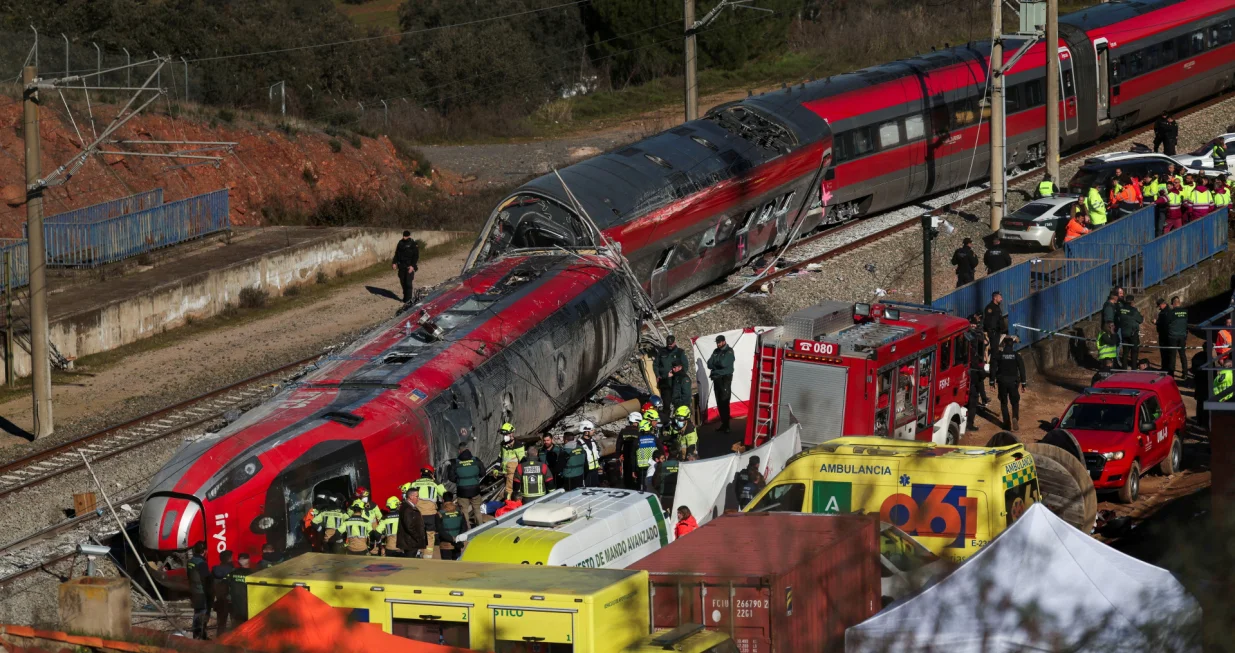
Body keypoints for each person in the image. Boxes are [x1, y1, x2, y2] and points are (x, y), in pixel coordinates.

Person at [990, 337, 1027, 431]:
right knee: (1015, 402)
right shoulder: (1016, 355)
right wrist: (1023, 384)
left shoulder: (999, 355)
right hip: (1013, 382)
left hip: (1002, 382)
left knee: (1003, 403)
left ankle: (1007, 423)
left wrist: (991, 382)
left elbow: (993, 367)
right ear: (1012, 345)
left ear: (1004, 344)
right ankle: (1015, 417)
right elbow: (1022, 369)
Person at [410, 467, 446, 559]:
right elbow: (445, 494)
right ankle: (428, 556)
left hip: (417, 514)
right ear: (431, 474)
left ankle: (417, 552)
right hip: (430, 514)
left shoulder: (414, 483)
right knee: (430, 535)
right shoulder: (435, 483)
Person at [450, 440, 487, 527]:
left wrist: (459, 480)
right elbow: (483, 473)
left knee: (464, 511)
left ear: (459, 451)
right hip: (475, 489)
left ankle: (467, 529)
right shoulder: (476, 460)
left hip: (462, 491)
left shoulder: (455, 462)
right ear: (468, 449)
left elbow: (451, 477)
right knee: (477, 509)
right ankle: (480, 526)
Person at [654, 334, 693, 416]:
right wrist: (658, 375)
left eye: (671, 344)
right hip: (665, 381)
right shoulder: (661, 352)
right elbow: (656, 365)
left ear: (674, 342)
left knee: (677, 400)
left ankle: (680, 417)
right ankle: (666, 421)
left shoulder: (680, 352)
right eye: (668, 344)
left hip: (676, 381)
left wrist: (679, 375)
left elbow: (685, 366)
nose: (670, 346)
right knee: (666, 403)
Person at [708, 335, 736, 432]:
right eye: (717, 342)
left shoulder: (729, 351)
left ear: (724, 341)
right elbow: (709, 363)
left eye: (719, 342)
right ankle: (723, 424)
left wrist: (715, 364)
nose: (718, 344)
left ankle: (727, 425)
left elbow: (724, 364)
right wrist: (717, 363)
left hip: (725, 378)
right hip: (716, 378)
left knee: (724, 401)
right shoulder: (716, 351)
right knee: (719, 401)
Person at [188, 542, 212, 640]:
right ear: (204, 551)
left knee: (196, 613)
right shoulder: (202, 563)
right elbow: (206, 580)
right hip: (201, 592)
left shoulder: (190, 561)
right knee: (202, 614)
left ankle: (196, 635)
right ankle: (201, 636)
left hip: (193, 591)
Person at [397, 487, 428, 558]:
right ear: (411, 497)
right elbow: (409, 526)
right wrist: (418, 537)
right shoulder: (408, 509)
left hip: (412, 541)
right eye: (417, 496)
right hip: (411, 542)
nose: (418, 498)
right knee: (410, 560)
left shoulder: (411, 507)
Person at [211, 550, 235, 636]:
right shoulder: (233, 570)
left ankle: (219, 642)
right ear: (229, 559)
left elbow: (212, 585)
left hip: (220, 600)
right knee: (235, 624)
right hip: (231, 600)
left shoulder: (215, 570)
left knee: (221, 624)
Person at [1117, 295, 1144, 369]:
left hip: (1124, 333)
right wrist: (1142, 316)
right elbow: (1140, 320)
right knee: (1134, 352)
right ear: (1132, 301)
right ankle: (1134, 368)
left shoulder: (1121, 309)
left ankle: (1124, 368)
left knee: (1125, 352)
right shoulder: (1134, 310)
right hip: (1133, 333)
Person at [392, 231, 420, 303]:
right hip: (401, 266)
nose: (405, 237)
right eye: (404, 236)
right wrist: (394, 263)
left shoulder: (413, 244)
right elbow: (396, 254)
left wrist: (412, 266)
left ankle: (409, 300)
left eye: (406, 236)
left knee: (408, 283)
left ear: (409, 236)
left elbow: (416, 256)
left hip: (409, 266)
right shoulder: (400, 243)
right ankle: (405, 298)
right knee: (402, 282)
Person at [437, 494, 466, 561]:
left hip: (445, 544)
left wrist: (451, 538)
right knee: (456, 565)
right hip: (458, 543)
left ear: (443, 500)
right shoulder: (460, 512)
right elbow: (464, 527)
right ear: (452, 500)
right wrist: (458, 538)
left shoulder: (440, 514)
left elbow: (440, 530)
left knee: (446, 566)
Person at [499, 424, 524, 500]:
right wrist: (496, 468)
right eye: (503, 434)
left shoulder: (518, 445)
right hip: (505, 473)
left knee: (511, 491)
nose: (504, 436)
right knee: (508, 490)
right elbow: (500, 457)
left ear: (511, 433)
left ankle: (510, 505)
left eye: (506, 434)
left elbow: (522, 461)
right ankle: (509, 504)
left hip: (514, 474)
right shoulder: (503, 444)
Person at [228, 553, 252, 629]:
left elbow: (227, 585)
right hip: (247, 605)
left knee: (236, 626)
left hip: (236, 605)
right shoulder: (253, 573)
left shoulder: (232, 573)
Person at [620, 411, 643, 490]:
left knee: (626, 474)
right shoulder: (638, 433)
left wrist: (619, 455)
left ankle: (627, 487)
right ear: (636, 422)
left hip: (626, 456)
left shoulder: (623, 431)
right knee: (635, 474)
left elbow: (618, 445)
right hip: (636, 457)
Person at [578, 421, 603, 487]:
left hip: (595, 471)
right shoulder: (579, 443)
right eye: (591, 430)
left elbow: (596, 454)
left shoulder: (593, 441)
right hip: (586, 473)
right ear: (586, 432)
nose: (593, 431)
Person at [636, 420, 659, 485]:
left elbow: (633, 455)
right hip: (653, 465)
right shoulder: (654, 438)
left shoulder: (637, 439)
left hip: (641, 467)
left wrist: (633, 470)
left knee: (642, 485)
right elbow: (661, 449)